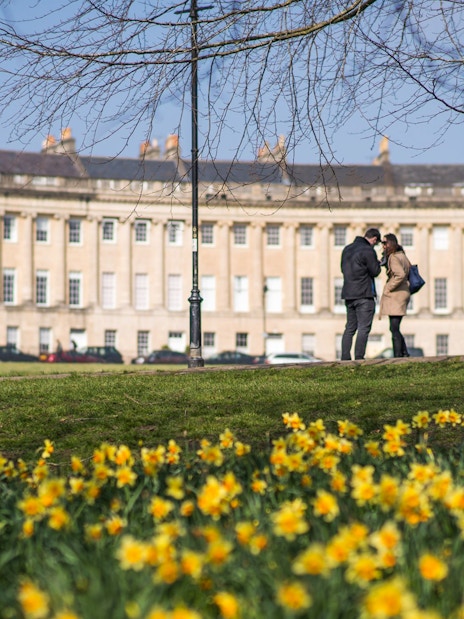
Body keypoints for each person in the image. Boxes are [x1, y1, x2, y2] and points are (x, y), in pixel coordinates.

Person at [341, 228, 382, 360]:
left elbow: (343, 269)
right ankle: (359, 357)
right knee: (363, 328)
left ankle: (345, 358)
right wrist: (379, 263)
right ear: (374, 239)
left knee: (350, 328)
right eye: (376, 243)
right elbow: (375, 271)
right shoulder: (368, 250)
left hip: (349, 294)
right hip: (364, 294)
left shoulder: (347, 249)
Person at [379, 233, 411, 357]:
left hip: (396, 294)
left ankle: (398, 355)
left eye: (385, 243)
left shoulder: (393, 257)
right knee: (395, 327)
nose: (383, 246)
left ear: (391, 243)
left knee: (394, 327)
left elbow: (400, 275)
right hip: (403, 293)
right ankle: (404, 353)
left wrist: (388, 287)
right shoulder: (402, 255)